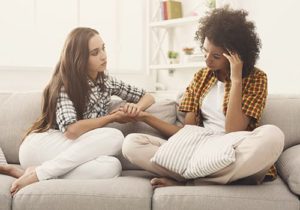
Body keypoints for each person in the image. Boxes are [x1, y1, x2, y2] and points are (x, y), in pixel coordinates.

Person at [122, 7, 284, 188]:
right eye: (205, 51)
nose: (207, 60)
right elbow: (188, 133)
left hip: (234, 148)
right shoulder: (201, 77)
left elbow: (233, 130)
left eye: (215, 56)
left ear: (235, 55)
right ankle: (213, 178)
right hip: (200, 149)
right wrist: (145, 117)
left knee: (273, 135)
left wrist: (236, 80)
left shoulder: (256, 78)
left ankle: (189, 181)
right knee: (132, 144)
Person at [0, 27, 155, 195]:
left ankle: (34, 172)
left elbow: (148, 97)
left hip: (67, 153)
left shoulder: (107, 82)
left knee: (111, 167)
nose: (103, 55)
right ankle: (39, 174)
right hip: (41, 147)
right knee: (115, 136)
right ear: (79, 58)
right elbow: (71, 131)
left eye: (103, 48)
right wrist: (112, 118)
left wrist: (136, 108)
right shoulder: (64, 85)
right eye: (95, 53)